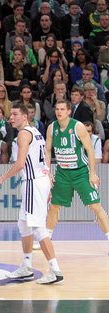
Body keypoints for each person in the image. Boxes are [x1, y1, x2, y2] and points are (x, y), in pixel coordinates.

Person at [0, 103, 64, 285]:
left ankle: (55, 270)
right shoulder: (35, 131)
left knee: (38, 227)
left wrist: (3, 177)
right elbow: (45, 156)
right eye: (11, 115)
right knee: (24, 224)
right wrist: (48, 175)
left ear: (25, 116)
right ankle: (26, 267)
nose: (11, 117)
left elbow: (19, 164)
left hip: (33, 182)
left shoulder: (23, 134)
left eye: (15, 114)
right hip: (39, 181)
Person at [45, 100, 109, 241]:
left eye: (62, 109)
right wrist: (48, 172)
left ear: (69, 111)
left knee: (96, 206)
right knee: (54, 207)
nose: (59, 112)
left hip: (81, 172)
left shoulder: (78, 127)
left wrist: (92, 173)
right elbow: (48, 151)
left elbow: (90, 150)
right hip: (62, 172)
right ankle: (46, 240)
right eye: (57, 109)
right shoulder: (51, 128)